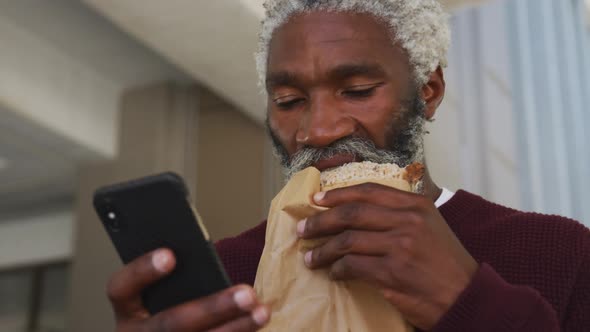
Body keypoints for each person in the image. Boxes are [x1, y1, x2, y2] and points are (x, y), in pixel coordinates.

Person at [105, 0, 590, 331]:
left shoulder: (559, 253)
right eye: (289, 99)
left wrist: (471, 302)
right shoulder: (229, 275)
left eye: (357, 91)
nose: (317, 130)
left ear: (429, 90)